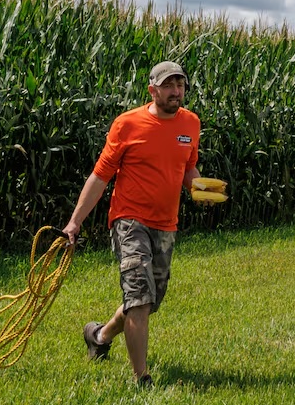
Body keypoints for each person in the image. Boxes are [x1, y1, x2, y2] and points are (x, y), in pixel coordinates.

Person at [62, 60, 201, 387]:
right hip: (129, 221)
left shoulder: (191, 124)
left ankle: (99, 335)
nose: (176, 91)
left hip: (166, 225)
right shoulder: (128, 124)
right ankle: (143, 379)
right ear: (152, 90)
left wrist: (203, 188)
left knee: (148, 301)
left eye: (180, 85)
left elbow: (187, 170)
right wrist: (74, 222)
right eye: (168, 85)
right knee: (139, 295)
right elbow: (100, 176)